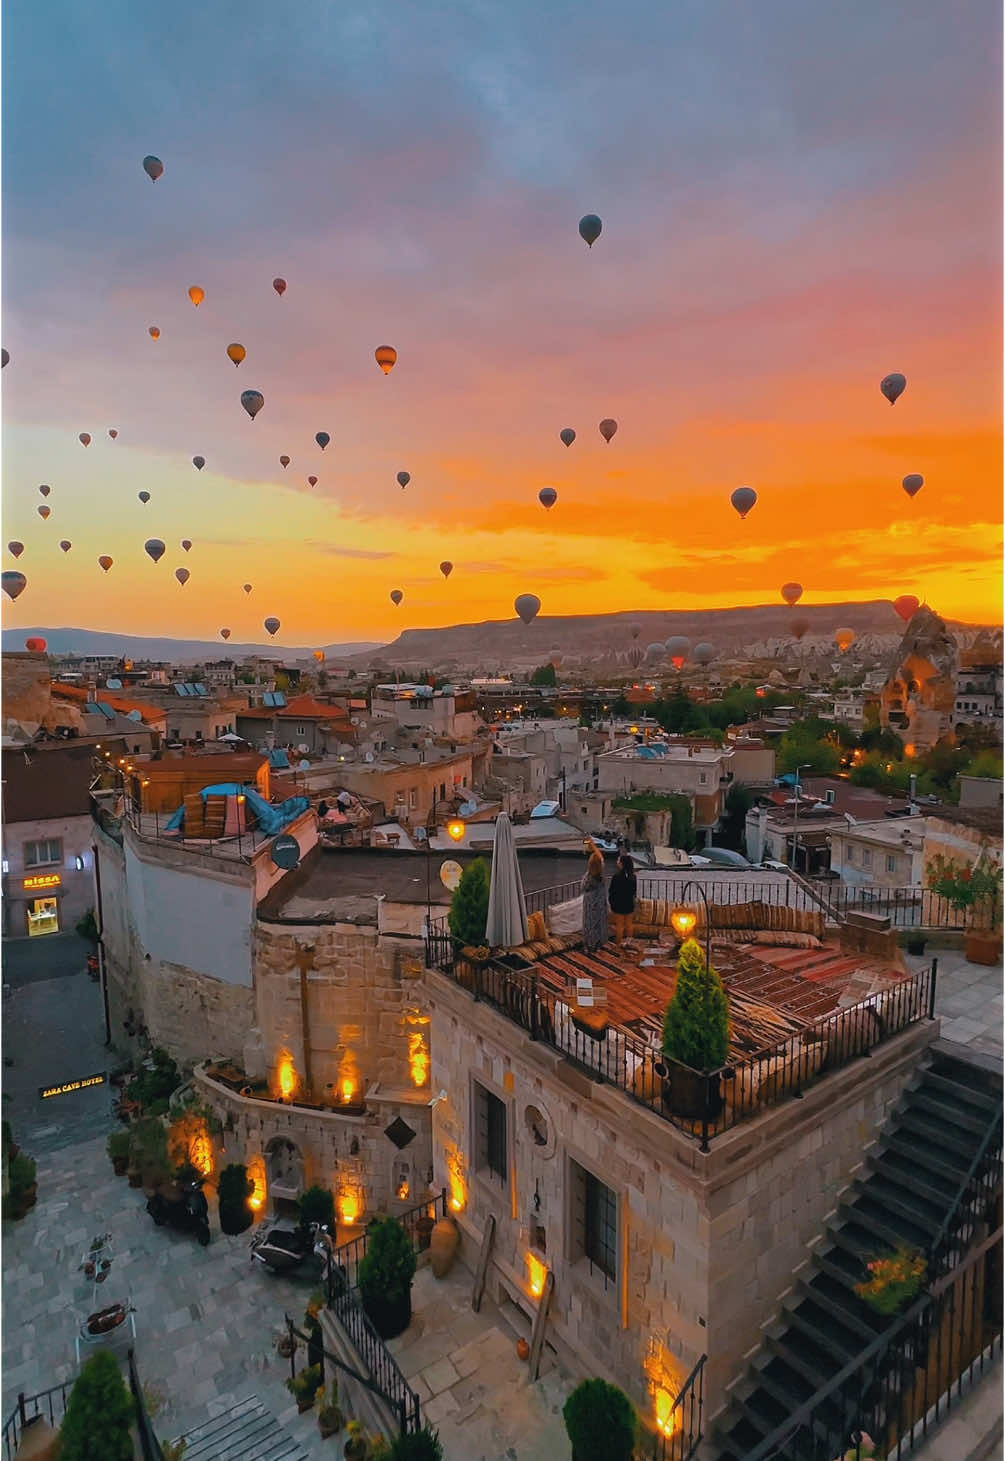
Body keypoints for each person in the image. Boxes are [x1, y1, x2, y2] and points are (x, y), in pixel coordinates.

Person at [581, 839, 609, 952]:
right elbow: (601, 858)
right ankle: (598, 944)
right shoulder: (601, 874)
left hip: (590, 903)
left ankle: (589, 945)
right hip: (600, 901)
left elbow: (583, 887)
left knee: (589, 923)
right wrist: (592, 845)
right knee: (599, 922)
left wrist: (591, 844)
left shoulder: (588, 877)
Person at [608, 853, 637, 949]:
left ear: (622, 864)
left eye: (619, 861)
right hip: (629, 903)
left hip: (618, 904)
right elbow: (634, 891)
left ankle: (619, 945)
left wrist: (611, 903)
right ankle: (629, 943)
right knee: (629, 925)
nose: (617, 862)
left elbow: (612, 891)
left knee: (619, 926)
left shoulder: (616, 876)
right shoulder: (633, 876)